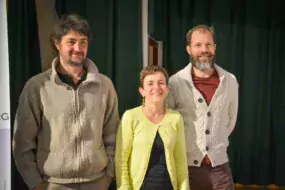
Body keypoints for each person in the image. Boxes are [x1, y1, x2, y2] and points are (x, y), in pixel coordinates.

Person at [12, 13, 119, 190]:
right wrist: (36, 183)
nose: (78, 47)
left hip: (97, 183)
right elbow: (23, 142)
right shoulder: (37, 87)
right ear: (57, 43)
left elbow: (113, 135)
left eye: (83, 42)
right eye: (71, 41)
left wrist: (108, 177)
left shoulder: (105, 85)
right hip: (53, 185)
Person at [168, 25, 239, 190]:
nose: (204, 50)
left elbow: (230, 121)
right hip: (187, 169)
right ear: (188, 49)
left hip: (220, 168)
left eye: (208, 44)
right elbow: (169, 126)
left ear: (214, 47)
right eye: (198, 45)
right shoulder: (175, 82)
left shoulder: (230, 81)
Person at [115, 65, 189, 190]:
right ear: (142, 91)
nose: (156, 87)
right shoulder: (131, 116)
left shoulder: (176, 118)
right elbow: (121, 159)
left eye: (161, 83)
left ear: (167, 88)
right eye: (150, 83)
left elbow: (181, 161)